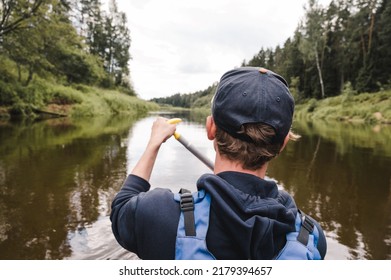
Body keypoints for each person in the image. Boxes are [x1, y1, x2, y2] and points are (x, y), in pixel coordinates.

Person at [110, 66, 327, 260]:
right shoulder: (313, 239)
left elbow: (121, 207)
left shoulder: (157, 216)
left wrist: (154, 143)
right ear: (283, 144)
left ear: (210, 128)